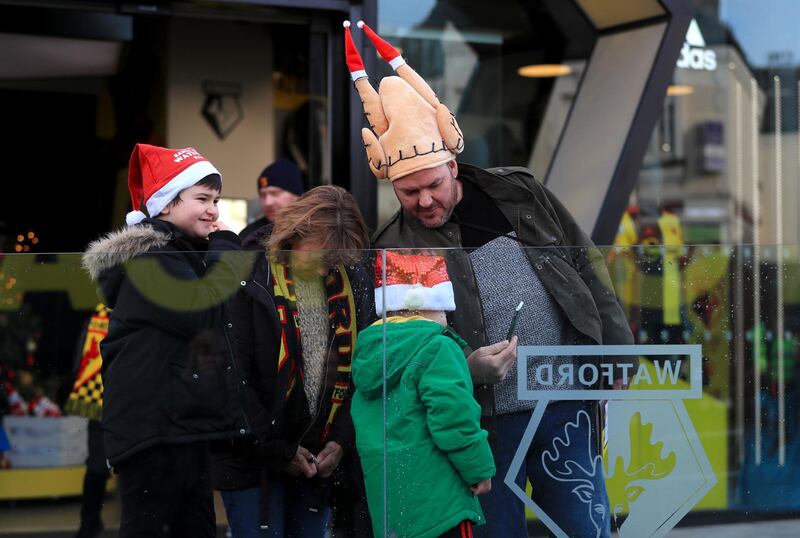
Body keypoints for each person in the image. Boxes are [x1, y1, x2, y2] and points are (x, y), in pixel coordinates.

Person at [344, 21, 634, 537]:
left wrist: (614, 348)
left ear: (453, 166)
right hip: (483, 415)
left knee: (584, 527)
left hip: (562, 394)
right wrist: (467, 367)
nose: (424, 202)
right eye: (409, 193)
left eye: (432, 185)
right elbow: (403, 349)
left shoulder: (518, 191)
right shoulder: (395, 244)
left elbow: (585, 263)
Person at [82, 144, 251, 538]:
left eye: (216, 200)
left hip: (179, 428)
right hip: (154, 433)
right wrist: (227, 248)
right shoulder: (151, 258)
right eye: (202, 199)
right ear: (165, 205)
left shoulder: (182, 253)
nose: (213, 210)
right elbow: (200, 313)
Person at [214, 185, 374, 537]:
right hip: (252, 459)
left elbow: (364, 370)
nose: (325, 270)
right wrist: (280, 450)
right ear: (293, 235)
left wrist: (342, 440)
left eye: (334, 262)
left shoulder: (353, 278)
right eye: (319, 258)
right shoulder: (249, 270)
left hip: (317, 461)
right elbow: (230, 376)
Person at [351, 251, 495, 538]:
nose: (446, 320)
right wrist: (478, 468)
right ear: (423, 308)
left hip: (392, 509)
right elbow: (454, 418)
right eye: (444, 311)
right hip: (440, 504)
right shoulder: (438, 347)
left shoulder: (368, 353)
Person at [64, 303, 111, 538]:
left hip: (113, 401)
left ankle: (90, 524)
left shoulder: (98, 317)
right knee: (97, 468)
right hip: (105, 404)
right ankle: (90, 523)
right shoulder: (98, 317)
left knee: (98, 468)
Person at [239, 158, 304, 248]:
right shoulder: (250, 235)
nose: (267, 202)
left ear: (297, 195)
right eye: (262, 195)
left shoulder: (315, 230)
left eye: (275, 193)